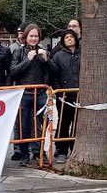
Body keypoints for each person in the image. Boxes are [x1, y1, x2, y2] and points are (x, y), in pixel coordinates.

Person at [9, 24, 50, 165]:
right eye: (31, 36)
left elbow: (51, 71)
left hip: (40, 92)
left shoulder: (43, 51)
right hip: (24, 93)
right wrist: (28, 60)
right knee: (23, 124)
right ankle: (24, 153)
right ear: (26, 37)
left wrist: (47, 59)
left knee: (42, 124)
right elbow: (13, 71)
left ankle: (39, 152)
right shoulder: (18, 52)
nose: (33, 39)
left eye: (36, 36)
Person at [50, 29, 81, 163]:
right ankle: (61, 150)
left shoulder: (82, 54)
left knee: (77, 123)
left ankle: (74, 149)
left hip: (80, 95)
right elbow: (54, 75)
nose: (69, 39)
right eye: (66, 37)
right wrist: (59, 91)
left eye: (71, 37)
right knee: (63, 122)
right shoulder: (58, 56)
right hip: (64, 96)